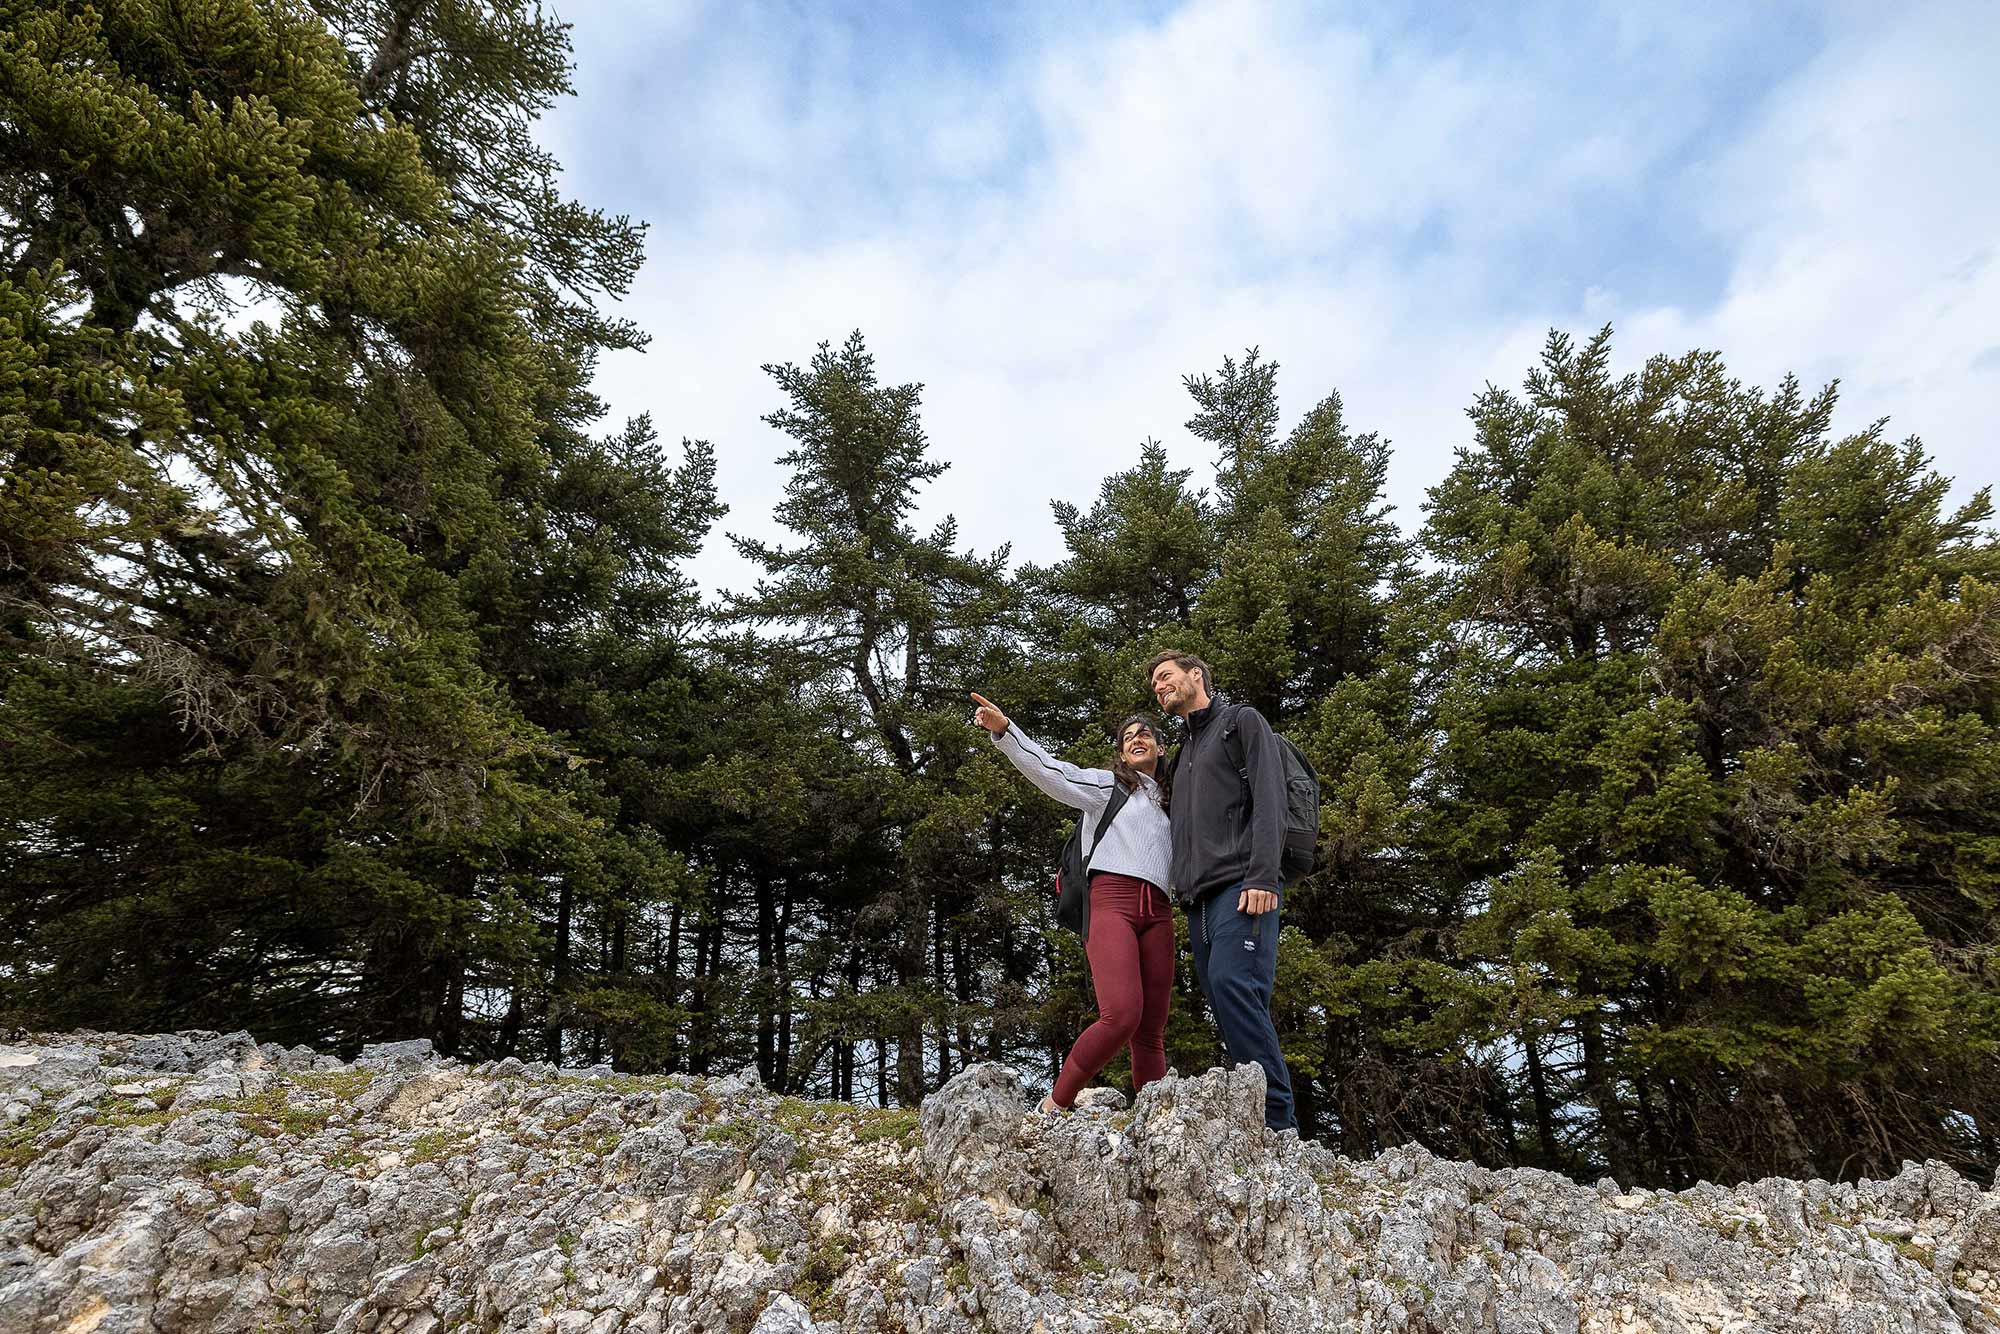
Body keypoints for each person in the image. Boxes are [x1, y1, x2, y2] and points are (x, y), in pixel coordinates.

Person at [970, 691, 1175, 1115]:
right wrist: (1006, 732)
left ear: (1160, 746)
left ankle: (1152, 1122)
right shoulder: (1109, 788)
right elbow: (1053, 772)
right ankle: (1055, 1104)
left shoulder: (1176, 801)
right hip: (1112, 903)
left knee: (1151, 1030)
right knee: (1121, 1015)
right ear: (1120, 752)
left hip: (1159, 911)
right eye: (1128, 737)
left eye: (1145, 735)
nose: (1137, 739)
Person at [1145, 651, 1298, 1132]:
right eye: (1153, 683)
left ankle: (1279, 1123)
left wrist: (1262, 876)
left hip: (1243, 885)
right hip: (1199, 901)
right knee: (1226, 999)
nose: (1159, 686)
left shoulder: (1240, 722)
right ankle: (1259, 1120)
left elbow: (1271, 798)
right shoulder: (1185, 753)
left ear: (1196, 675)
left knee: (1236, 985)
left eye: (1165, 676)